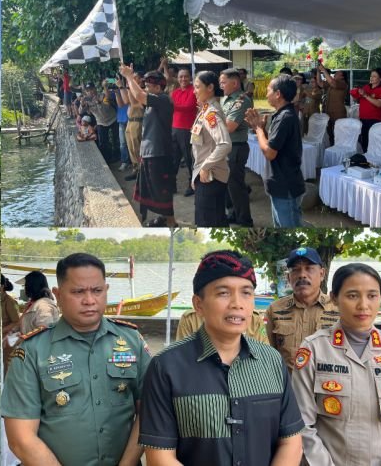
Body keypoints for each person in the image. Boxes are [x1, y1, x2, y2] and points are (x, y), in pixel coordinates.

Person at [139, 250, 304, 465]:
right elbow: (160, 455)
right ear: (199, 304)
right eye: (223, 293)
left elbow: (291, 440)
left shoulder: (271, 361)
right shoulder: (165, 367)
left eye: (246, 292)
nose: (237, 303)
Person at [2, 253, 151, 466]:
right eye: (78, 292)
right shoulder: (32, 351)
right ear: (58, 294)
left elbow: (149, 411)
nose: (89, 300)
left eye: (97, 291)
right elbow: (21, 439)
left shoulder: (131, 340)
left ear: (106, 291)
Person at [292, 263, 381, 465]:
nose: (363, 305)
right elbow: (302, 423)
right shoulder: (314, 350)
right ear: (334, 298)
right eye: (352, 295)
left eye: (372, 295)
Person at [245, 75, 306, 227]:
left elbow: (270, 153)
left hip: (285, 186)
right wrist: (263, 131)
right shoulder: (283, 115)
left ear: (278, 94)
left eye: (268, 91)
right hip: (281, 185)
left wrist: (258, 129)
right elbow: (274, 146)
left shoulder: (285, 117)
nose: (266, 95)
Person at [119, 64, 175, 227]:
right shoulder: (153, 101)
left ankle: (171, 222)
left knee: (162, 189)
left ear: (158, 87)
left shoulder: (163, 99)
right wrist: (127, 81)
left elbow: (140, 96)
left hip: (159, 153)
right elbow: (134, 96)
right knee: (152, 189)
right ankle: (164, 218)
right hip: (150, 151)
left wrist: (129, 77)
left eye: (148, 86)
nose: (146, 89)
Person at [266, 247, 338, 370]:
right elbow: (268, 353)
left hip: (328, 386)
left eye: (309, 268)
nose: (302, 275)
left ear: (322, 274)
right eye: (296, 270)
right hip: (288, 385)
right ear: (289, 278)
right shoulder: (275, 309)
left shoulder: (338, 309)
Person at [190, 71, 232, 227]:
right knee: (214, 220)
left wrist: (205, 167)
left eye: (197, 87)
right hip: (205, 176)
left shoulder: (211, 114)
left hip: (211, 177)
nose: (194, 91)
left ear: (210, 88)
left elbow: (225, 144)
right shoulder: (205, 109)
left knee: (207, 223)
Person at [219, 68, 254, 227]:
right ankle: (232, 213)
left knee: (236, 186)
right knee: (226, 185)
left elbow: (229, 127)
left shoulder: (241, 100)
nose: (221, 85)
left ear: (234, 83)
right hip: (224, 146)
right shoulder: (224, 100)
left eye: (224, 82)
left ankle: (245, 220)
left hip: (236, 147)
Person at [170, 68, 198, 196]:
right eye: (181, 77)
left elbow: (188, 107)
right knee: (173, 158)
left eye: (185, 76)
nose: (183, 79)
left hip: (187, 129)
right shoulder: (175, 92)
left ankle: (192, 185)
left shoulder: (193, 91)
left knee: (188, 159)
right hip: (174, 128)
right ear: (177, 78)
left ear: (190, 78)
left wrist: (171, 105)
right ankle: (172, 184)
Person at [350, 67, 381, 152]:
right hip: (363, 118)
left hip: (375, 120)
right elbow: (359, 100)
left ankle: (372, 162)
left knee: (373, 143)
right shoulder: (366, 87)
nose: (371, 78)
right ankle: (365, 160)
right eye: (371, 76)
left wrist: (365, 95)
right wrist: (355, 96)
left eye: (374, 76)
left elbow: (379, 104)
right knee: (364, 141)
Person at [175, 308, 269, 344]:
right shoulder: (191, 319)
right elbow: (181, 361)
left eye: (245, 293)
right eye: (223, 293)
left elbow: (265, 358)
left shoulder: (254, 320)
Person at [317, 62, 349, 144]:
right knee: (330, 134)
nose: (334, 75)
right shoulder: (331, 82)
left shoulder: (343, 84)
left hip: (338, 113)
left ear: (342, 76)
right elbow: (320, 84)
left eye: (337, 73)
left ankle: (339, 151)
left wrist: (324, 70)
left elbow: (333, 83)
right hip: (328, 112)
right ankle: (332, 150)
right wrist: (318, 71)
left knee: (338, 134)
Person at [1, 275, 21, 376]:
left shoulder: (10, 302)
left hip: (8, 338)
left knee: (8, 367)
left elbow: (17, 322)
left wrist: (2, 330)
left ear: (2, 286)